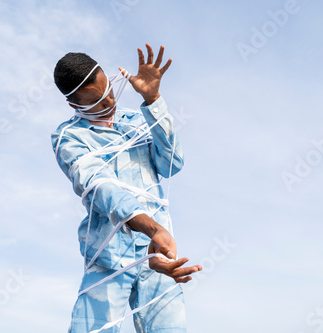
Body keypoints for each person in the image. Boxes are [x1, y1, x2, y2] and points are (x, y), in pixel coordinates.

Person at [51, 43, 202, 333]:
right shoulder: (67, 137)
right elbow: (100, 186)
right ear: (73, 104)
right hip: (108, 256)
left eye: (108, 89)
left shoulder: (137, 120)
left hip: (157, 251)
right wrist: (151, 227)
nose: (109, 101)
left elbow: (173, 162)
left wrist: (153, 99)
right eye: (96, 100)